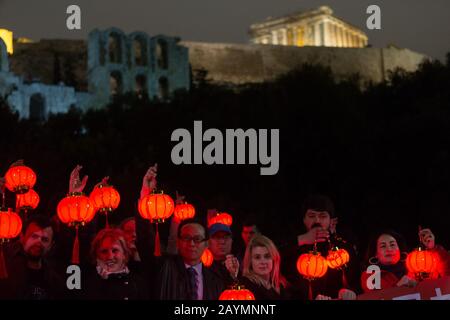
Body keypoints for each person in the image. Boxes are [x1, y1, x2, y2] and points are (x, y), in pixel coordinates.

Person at [281, 194, 360, 300]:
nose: (317, 220)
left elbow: (356, 279)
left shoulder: (343, 248)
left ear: (331, 220)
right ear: (304, 219)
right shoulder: (293, 246)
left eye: (323, 216)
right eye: (312, 216)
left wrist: (351, 291)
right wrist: (302, 239)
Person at [155, 219, 224, 300]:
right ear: (178, 242)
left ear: (206, 244)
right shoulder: (165, 267)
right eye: (186, 238)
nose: (191, 244)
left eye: (197, 239)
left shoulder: (215, 278)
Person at [0, 214, 65, 299]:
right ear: (22, 237)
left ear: (51, 245)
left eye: (45, 239)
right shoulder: (5, 270)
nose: (38, 243)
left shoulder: (54, 280)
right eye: (33, 236)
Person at [83, 228, 148, 300]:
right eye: (104, 251)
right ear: (97, 256)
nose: (110, 257)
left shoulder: (138, 282)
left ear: (124, 254)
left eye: (115, 250)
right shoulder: (88, 283)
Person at [240, 234, 291, 300]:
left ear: (274, 259)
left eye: (267, 256)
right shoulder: (246, 286)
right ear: (250, 261)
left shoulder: (279, 283)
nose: (263, 262)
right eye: (257, 257)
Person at [208, 223, 240, 288]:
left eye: (226, 237)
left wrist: (234, 276)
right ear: (208, 242)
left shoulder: (238, 265)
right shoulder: (202, 268)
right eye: (217, 237)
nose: (222, 242)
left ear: (232, 241)